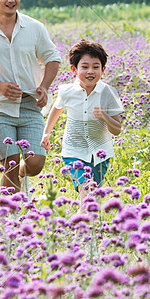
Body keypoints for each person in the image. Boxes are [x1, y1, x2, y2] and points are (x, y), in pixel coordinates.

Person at [0, 0, 62, 192]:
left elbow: (52, 58)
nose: (11, 0)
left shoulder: (34, 28)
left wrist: (44, 86)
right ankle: (9, 215)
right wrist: (0, 86)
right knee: (10, 161)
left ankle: (23, 177)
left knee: (35, 163)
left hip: (30, 105)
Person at [42, 39, 124, 200]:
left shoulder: (108, 93)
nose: (90, 72)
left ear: (103, 69)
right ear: (74, 69)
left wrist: (105, 117)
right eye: (84, 67)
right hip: (73, 152)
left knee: (92, 197)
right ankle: (82, 223)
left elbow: (117, 130)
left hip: (101, 154)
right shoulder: (67, 91)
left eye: (96, 67)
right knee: (87, 189)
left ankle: (83, 223)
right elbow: (57, 109)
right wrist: (46, 133)